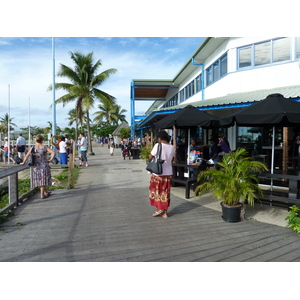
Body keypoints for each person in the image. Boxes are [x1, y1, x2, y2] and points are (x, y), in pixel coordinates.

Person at [149, 130, 175, 219]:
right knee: (166, 192)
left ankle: (159, 209)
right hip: (168, 173)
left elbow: (151, 156)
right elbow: (172, 159)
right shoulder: (172, 147)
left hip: (158, 173)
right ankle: (165, 212)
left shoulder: (158, 145)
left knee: (157, 192)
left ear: (159, 138)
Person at [20, 134, 55, 199]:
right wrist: (50, 159)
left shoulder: (33, 148)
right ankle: (42, 195)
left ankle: (45, 192)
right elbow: (53, 152)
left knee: (40, 180)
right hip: (44, 165)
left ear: (36, 140)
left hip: (36, 166)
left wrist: (23, 162)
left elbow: (27, 155)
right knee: (43, 180)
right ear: (42, 140)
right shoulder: (44, 147)